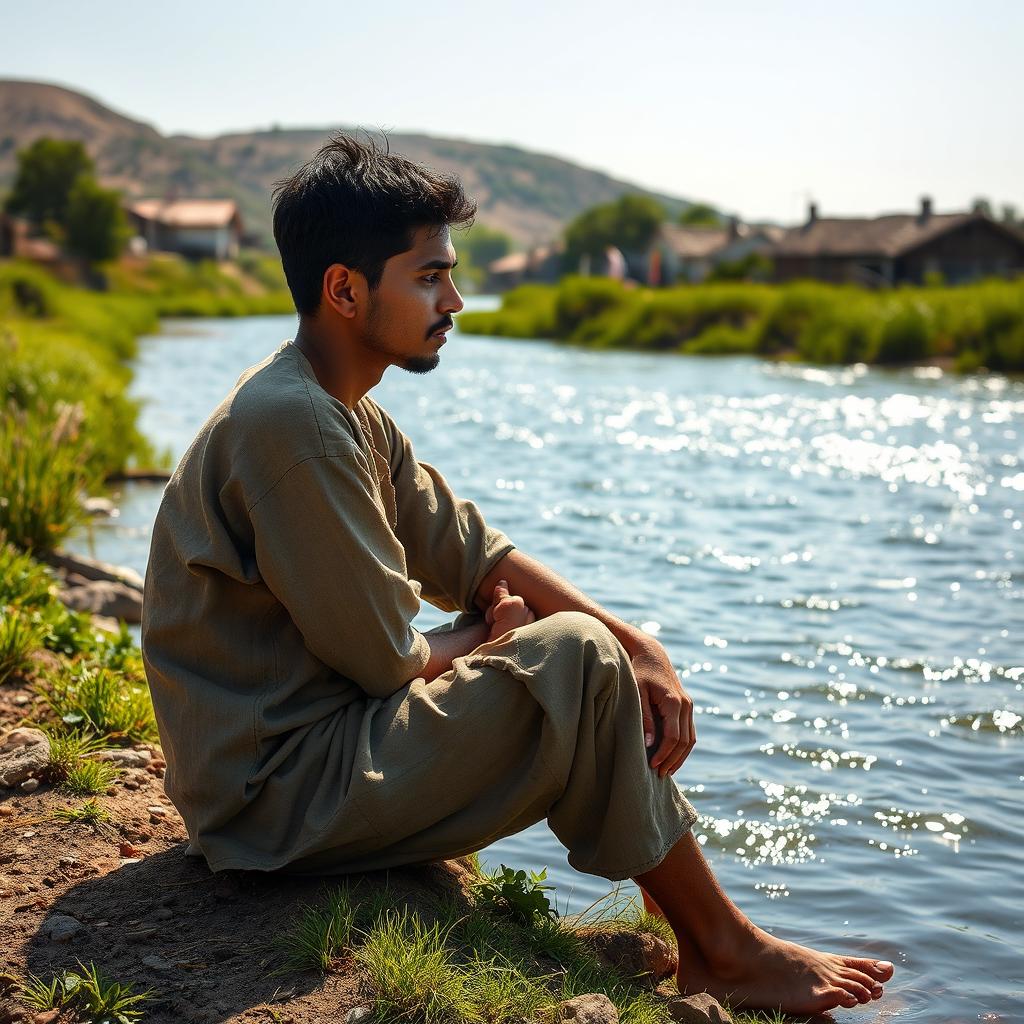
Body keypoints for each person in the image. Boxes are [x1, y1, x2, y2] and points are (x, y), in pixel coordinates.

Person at [140, 134, 894, 1014]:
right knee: (570, 656)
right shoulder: (293, 426)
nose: (455, 299)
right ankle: (722, 949)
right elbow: (385, 659)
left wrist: (638, 644)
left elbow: (470, 549)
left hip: (304, 764)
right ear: (344, 289)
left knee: (591, 648)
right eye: (428, 277)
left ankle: (695, 932)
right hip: (275, 801)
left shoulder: (342, 411)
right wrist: (488, 637)